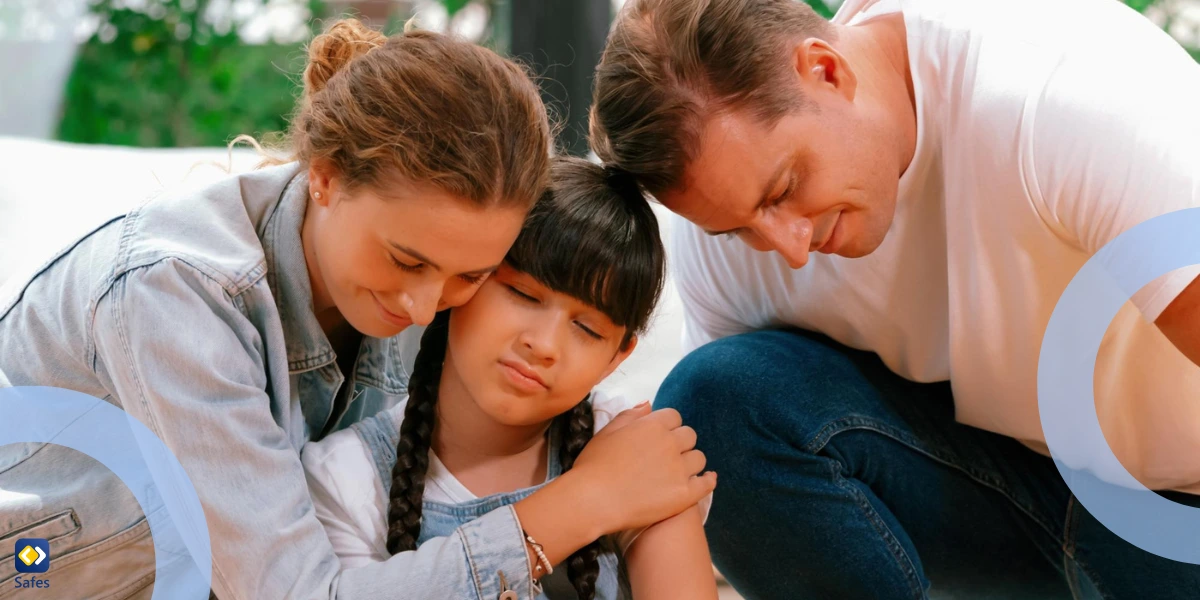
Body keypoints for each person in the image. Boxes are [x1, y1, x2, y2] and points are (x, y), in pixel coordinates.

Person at [0, 19, 711, 599]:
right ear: (326, 177)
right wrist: (582, 505)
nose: (424, 304)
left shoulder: (422, 304)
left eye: (472, 274)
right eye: (407, 261)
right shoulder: (175, 295)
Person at [588, 0, 1200, 598]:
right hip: (1011, 490)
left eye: (784, 189)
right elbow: (735, 484)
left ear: (827, 70)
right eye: (740, 227)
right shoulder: (732, 238)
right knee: (717, 406)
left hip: (1178, 509)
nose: (789, 247)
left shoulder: (1057, 99)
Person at [302, 157, 718, 600]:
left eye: (588, 329)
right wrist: (588, 499)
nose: (544, 344)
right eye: (522, 293)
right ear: (464, 279)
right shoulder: (347, 478)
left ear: (617, 357)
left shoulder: (633, 447)